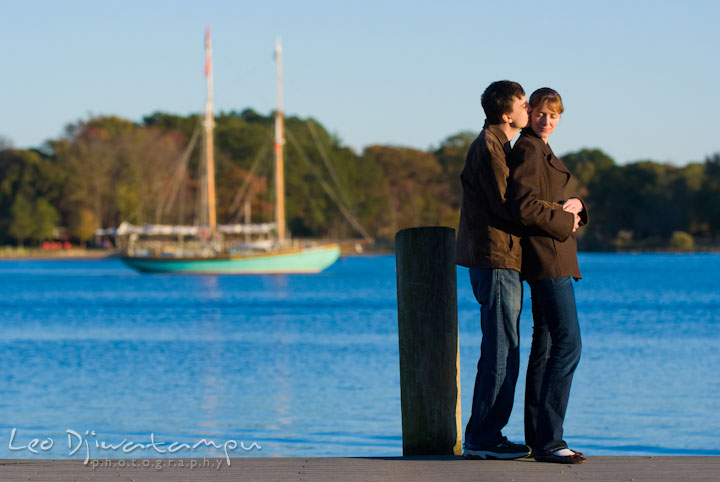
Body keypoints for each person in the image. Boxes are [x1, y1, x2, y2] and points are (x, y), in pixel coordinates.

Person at [508, 87, 588, 464]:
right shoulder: (527, 148)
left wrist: (578, 206)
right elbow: (523, 205)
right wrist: (565, 218)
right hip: (547, 258)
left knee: (545, 348)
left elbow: (548, 201)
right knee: (568, 344)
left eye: (554, 115)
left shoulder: (541, 148)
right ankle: (551, 441)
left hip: (552, 256)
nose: (547, 120)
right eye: (541, 113)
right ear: (530, 113)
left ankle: (539, 439)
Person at [456, 80, 531, 460]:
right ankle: (484, 437)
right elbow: (508, 204)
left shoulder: (498, 146)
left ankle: (486, 435)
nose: (528, 107)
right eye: (523, 102)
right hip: (496, 258)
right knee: (501, 350)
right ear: (507, 114)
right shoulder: (489, 148)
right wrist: (553, 216)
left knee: (503, 348)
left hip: (500, 259)